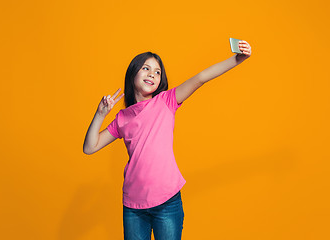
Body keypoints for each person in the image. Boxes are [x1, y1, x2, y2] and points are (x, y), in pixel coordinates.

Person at [83, 40, 252, 240]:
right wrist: (100, 114)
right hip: (133, 206)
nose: (152, 74)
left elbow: (201, 78)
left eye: (157, 72)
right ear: (133, 73)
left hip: (167, 202)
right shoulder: (122, 118)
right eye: (146, 68)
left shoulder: (166, 101)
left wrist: (237, 59)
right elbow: (89, 147)